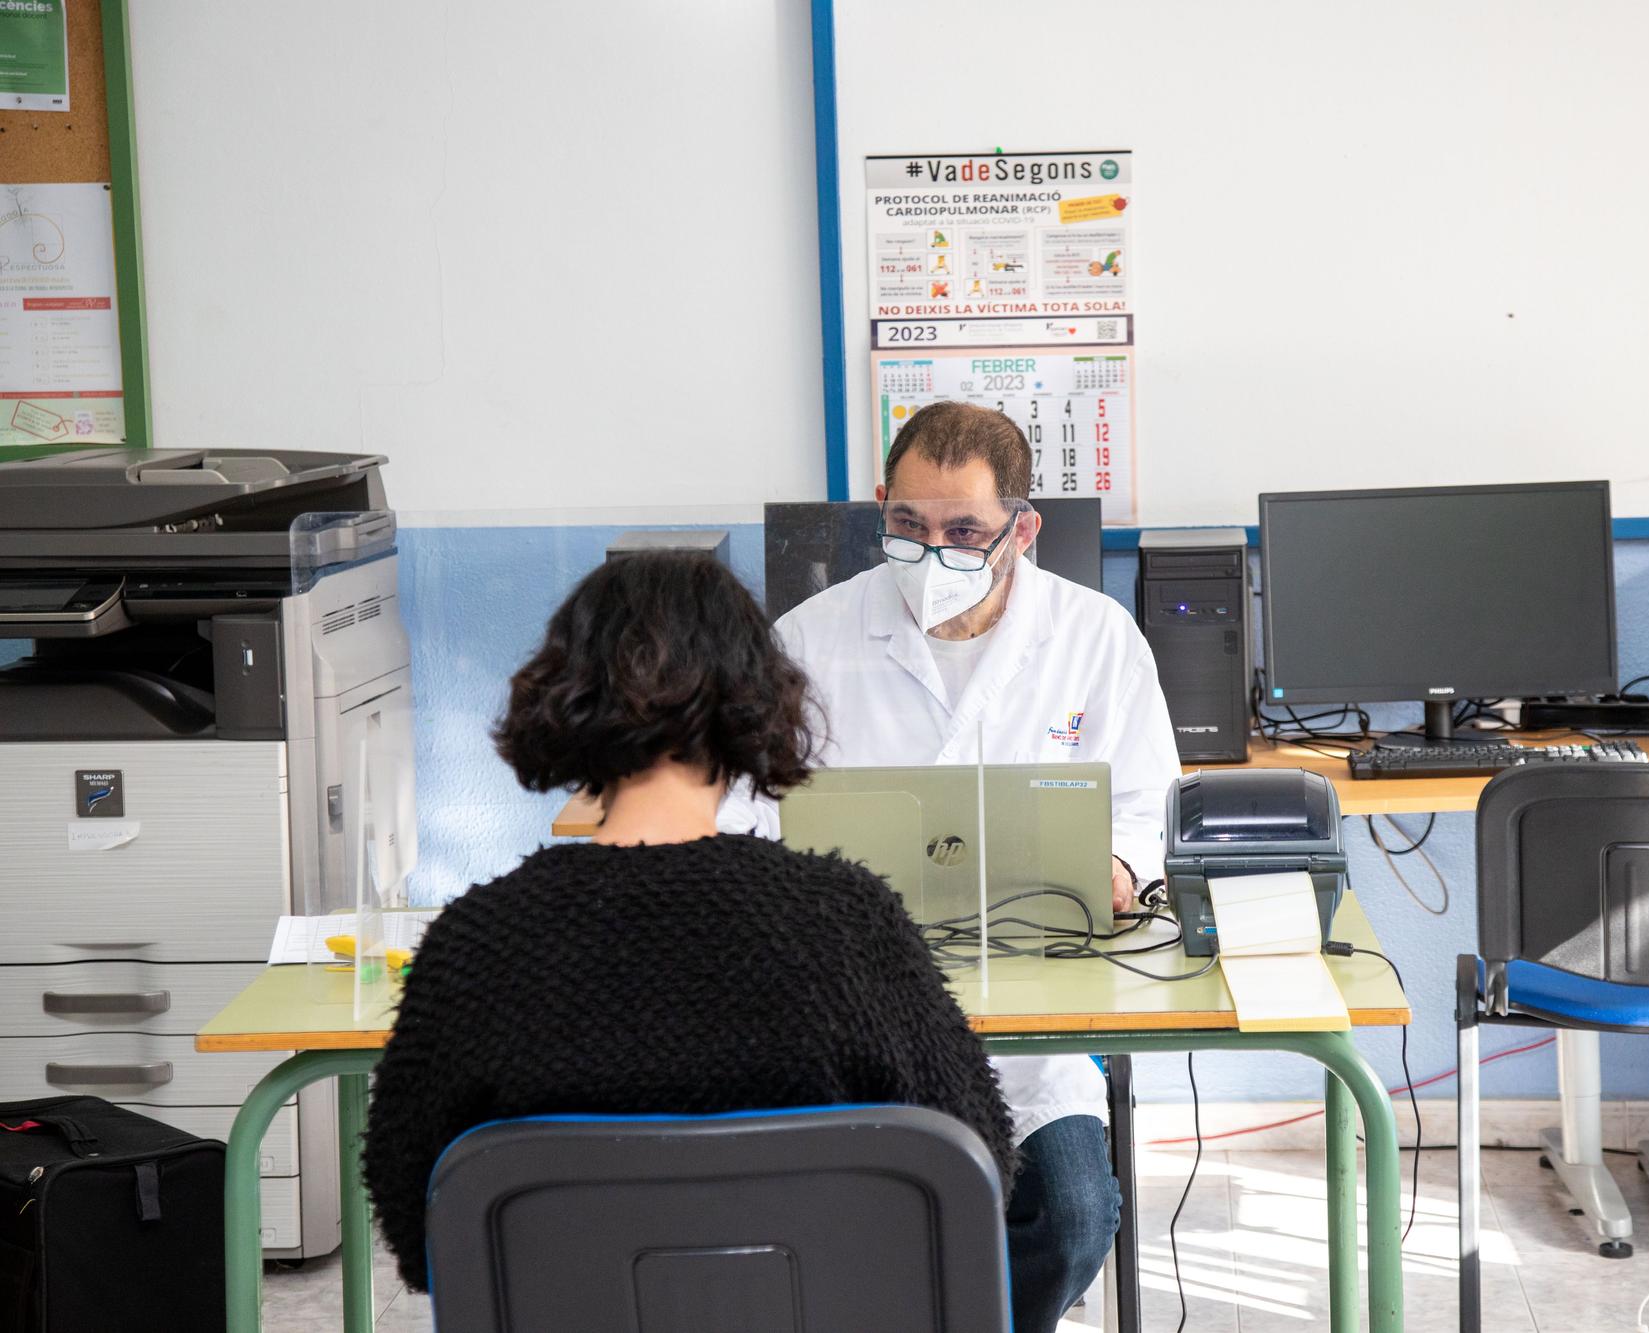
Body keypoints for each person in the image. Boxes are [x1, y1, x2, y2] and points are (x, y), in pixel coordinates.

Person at [361, 551, 1016, 1293]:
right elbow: (977, 1167)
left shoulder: (477, 943)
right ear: (756, 698)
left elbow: (417, 1229)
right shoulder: (849, 921)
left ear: (564, 696)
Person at [729, 401, 1182, 1331]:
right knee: (840, 1218)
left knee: (1073, 1214)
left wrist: (1119, 866)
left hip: (1037, 1014)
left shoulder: (1097, 638)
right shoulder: (808, 641)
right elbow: (746, 815)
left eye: (964, 531)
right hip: (856, 1011)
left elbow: (1148, 804)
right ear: (884, 507)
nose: (933, 553)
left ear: (1022, 529)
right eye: (907, 525)